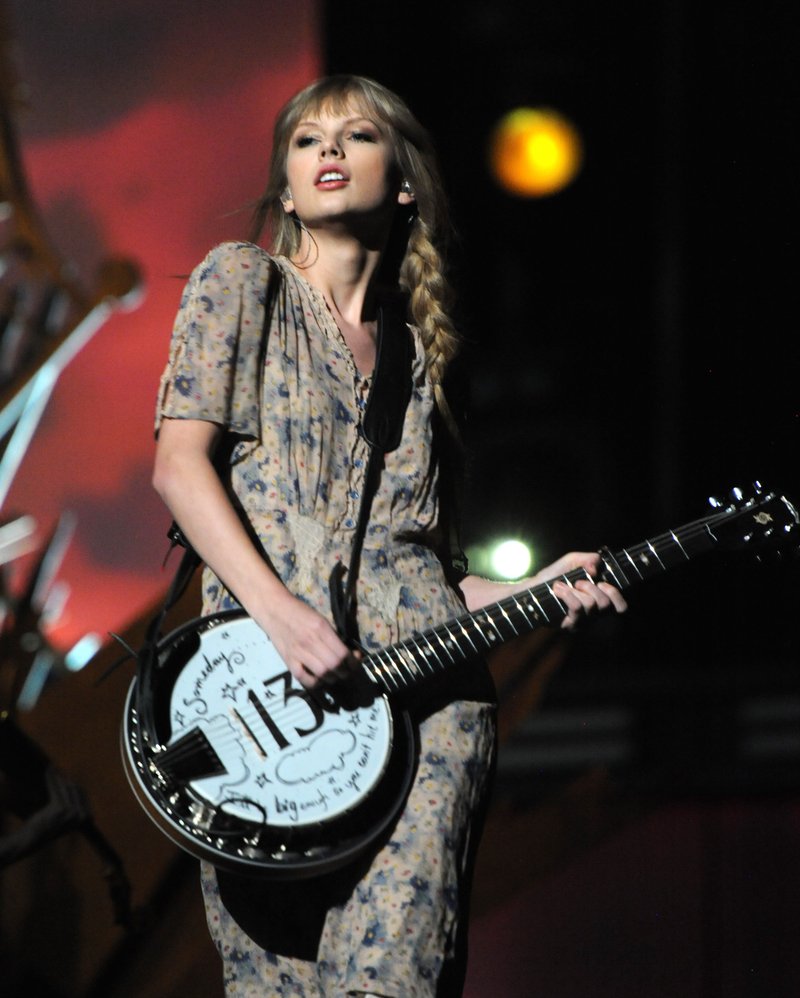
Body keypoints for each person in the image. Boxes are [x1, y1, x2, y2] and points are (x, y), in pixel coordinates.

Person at [152, 74, 627, 998]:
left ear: (402, 179)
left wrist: (542, 589)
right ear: (287, 189)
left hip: (421, 722)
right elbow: (179, 466)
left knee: (391, 982)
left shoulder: (419, 363)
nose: (328, 152)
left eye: (356, 136)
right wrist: (283, 616)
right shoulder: (239, 283)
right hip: (266, 715)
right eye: (306, 141)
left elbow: (420, 586)